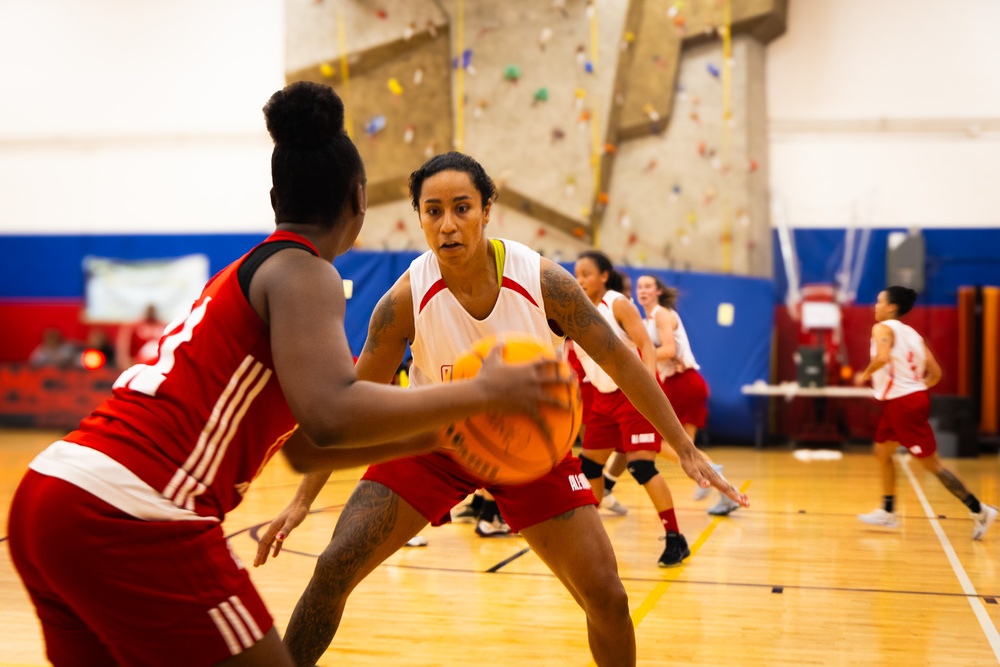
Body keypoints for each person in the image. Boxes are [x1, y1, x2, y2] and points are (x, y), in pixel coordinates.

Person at [6, 83, 566, 667]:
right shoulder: (305, 272)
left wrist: (451, 435)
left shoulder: (245, 273)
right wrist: (479, 395)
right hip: (137, 510)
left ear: (276, 196)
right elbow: (331, 417)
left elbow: (305, 448)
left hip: (51, 494)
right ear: (359, 200)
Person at [256, 152, 746, 667]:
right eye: (433, 211)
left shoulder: (543, 281)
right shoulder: (402, 302)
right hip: (434, 444)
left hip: (533, 448)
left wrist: (686, 448)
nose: (448, 225)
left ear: (487, 210)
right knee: (334, 565)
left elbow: (620, 359)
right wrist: (302, 500)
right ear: (420, 217)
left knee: (608, 596)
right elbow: (347, 407)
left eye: (462, 208)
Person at [572, 251, 703, 568]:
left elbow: (646, 345)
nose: (580, 279)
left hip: (631, 393)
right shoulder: (576, 309)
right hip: (604, 398)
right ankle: (594, 540)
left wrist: (648, 389)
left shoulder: (618, 304)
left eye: (587, 273)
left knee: (641, 467)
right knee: (588, 467)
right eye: (577, 273)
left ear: (604, 276)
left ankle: (675, 538)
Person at [854, 286, 997, 539]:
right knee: (882, 450)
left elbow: (883, 357)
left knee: (933, 466)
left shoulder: (882, 328)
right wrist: (916, 389)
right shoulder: (914, 335)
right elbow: (936, 373)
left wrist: (863, 374)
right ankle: (888, 511)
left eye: (879, 302)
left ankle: (980, 509)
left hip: (903, 404)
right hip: (905, 400)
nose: (875, 306)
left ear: (891, 307)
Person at [635, 274, 739, 516]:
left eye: (648, 286)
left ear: (658, 291)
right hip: (685, 383)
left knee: (657, 443)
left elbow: (669, 349)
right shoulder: (646, 320)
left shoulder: (661, 314)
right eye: (639, 286)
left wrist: (639, 359)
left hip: (682, 382)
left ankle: (712, 470)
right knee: (687, 447)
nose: (643, 290)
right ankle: (725, 493)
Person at [115, 303, 167, 368]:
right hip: (140, 363)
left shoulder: (162, 327)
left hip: (158, 362)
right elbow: (125, 347)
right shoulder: (135, 327)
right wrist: (125, 362)